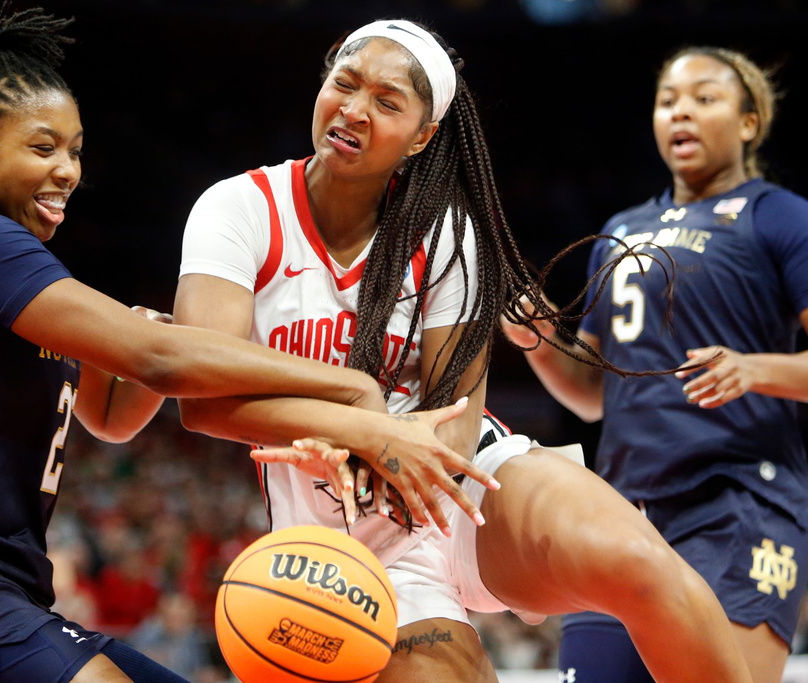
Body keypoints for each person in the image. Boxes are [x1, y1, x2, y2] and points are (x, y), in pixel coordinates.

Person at [0, 6, 496, 683]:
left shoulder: (20, 278)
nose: (67, 171)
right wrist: (351, 389)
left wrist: (166, 339)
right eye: (42, 148)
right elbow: (157, 361)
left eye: (75, 150)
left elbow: (113, 414)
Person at [173, 18, 754, 683]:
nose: (354, 109)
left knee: (641, 562)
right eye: (345, 83)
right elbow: (201, 396)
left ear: (422, 136)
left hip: (457, 480)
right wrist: (359, 430)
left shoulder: (448, 231)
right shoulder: (239, 209)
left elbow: (457, 419)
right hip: (346, 534)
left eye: (387, 102)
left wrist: (384, 443)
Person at [500, 46, 808, 683]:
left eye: (704, 99)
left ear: (749, 122)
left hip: (738, 503)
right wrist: (542, 341)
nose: (681, 113)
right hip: (625, 512)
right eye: (668, 101)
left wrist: (755, 369)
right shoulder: (622, 228)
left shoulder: (779, 216)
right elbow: (594, 395)